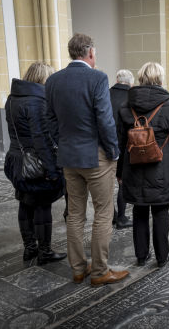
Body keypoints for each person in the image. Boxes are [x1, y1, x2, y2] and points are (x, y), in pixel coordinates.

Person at [46, 33, 129, 287]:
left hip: (69, 158)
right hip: (96, 158)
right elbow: (105, 120)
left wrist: (62, 144)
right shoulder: (97, 78)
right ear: (90, 53)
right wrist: (114, 151)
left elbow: (49, 120)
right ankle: (100, 271)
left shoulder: (53, 80)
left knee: (74, 214)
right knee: (103, 213)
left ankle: (79, 269)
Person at [117, 62, 169, 268]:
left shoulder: (126, 106)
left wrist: (119, 172)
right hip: (162, 168)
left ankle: (141, 256)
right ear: (160, 79)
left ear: (140, 79)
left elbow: (121, 143)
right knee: (160, 211)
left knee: (139, 210)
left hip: (133, 168)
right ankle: (162, 256)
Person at [3, 62, 67, 266]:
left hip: (16, 160)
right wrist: (52, 169)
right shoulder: (37, 102)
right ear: (44, 79)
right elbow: (41, 140)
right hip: (34, 162)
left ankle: (30, 248)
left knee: (24, 201)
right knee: (41, 205)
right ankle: (44, 252)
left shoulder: (12, 99)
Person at [109, 69, 134, 229]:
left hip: (106, 145)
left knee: (106, 185)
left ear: (117, 80)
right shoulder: (132, 97)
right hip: (125, 145)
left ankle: (112, 215)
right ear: (131, 82)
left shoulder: (105, 94)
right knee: (122, 182)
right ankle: (122, 217)